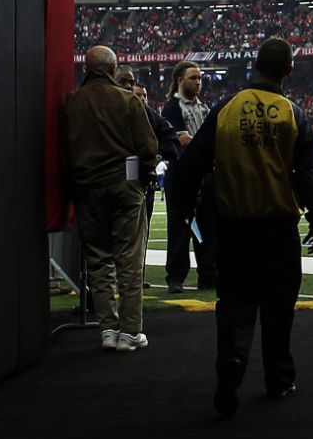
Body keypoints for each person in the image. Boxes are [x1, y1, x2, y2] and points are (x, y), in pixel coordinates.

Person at [171, 38, 313, 417]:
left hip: (234, 226)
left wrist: (183, 207)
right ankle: (278, 378)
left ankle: (232, 361)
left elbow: (192, 162)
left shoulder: (225, 109)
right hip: (278, 226)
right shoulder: (292, 112)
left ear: (255, 65)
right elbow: (311, 172)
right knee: (279, 308)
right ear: (288, 70)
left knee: (235, 304)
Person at [61, 46, 158, 351]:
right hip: (124, 184)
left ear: (87, 68)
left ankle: (107, 328)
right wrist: (144, 175)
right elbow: (148, 146)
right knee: (128, 258)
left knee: (98, 260)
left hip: (87, 187)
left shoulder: (71, 103)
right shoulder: (127, 99)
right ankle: (130, 331)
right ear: (114, 68)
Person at [117, 67, 180, 290]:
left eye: (144, 95)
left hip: (141, 184)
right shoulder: (114, 109)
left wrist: (158, 156)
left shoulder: (149, 114)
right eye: (137, 93)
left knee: (141, 234)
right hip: (117, 181)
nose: (142, 98)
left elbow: (169, 136)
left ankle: (136, 278)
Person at [161, 61, 214, 292]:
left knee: (208, 226)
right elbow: (182, 140)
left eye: (200, 78)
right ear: (180, 80)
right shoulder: (172, 107)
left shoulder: (204, 107)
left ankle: (209, 274)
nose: (198, 82)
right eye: (193, 78)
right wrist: (206, 147)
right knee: (180, 228)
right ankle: (176, 277)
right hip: (182, 172)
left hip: (203, 172)